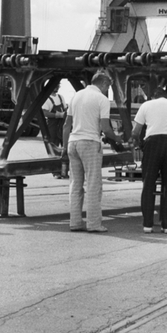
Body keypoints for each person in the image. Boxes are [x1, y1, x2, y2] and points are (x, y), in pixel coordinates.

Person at [62, 72, 121, 233]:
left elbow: (66, 125)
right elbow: (105, 128)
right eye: (108, 87)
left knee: (75, 185)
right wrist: (117, 138)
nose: (107, 90)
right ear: (103, 84)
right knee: (94, 185)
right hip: (89, 142)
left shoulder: (76, 96)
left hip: (73, 142)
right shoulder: (101, 99)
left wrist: (64, 148)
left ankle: (75, 222)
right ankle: (94, 224)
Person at [131, 81, 167, 234]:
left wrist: (141, 145)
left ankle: (148, 225)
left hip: (153, 143)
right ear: (166, 96)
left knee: (148, 184)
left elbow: (135, 132)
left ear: (153, 96)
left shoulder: (146, 105)